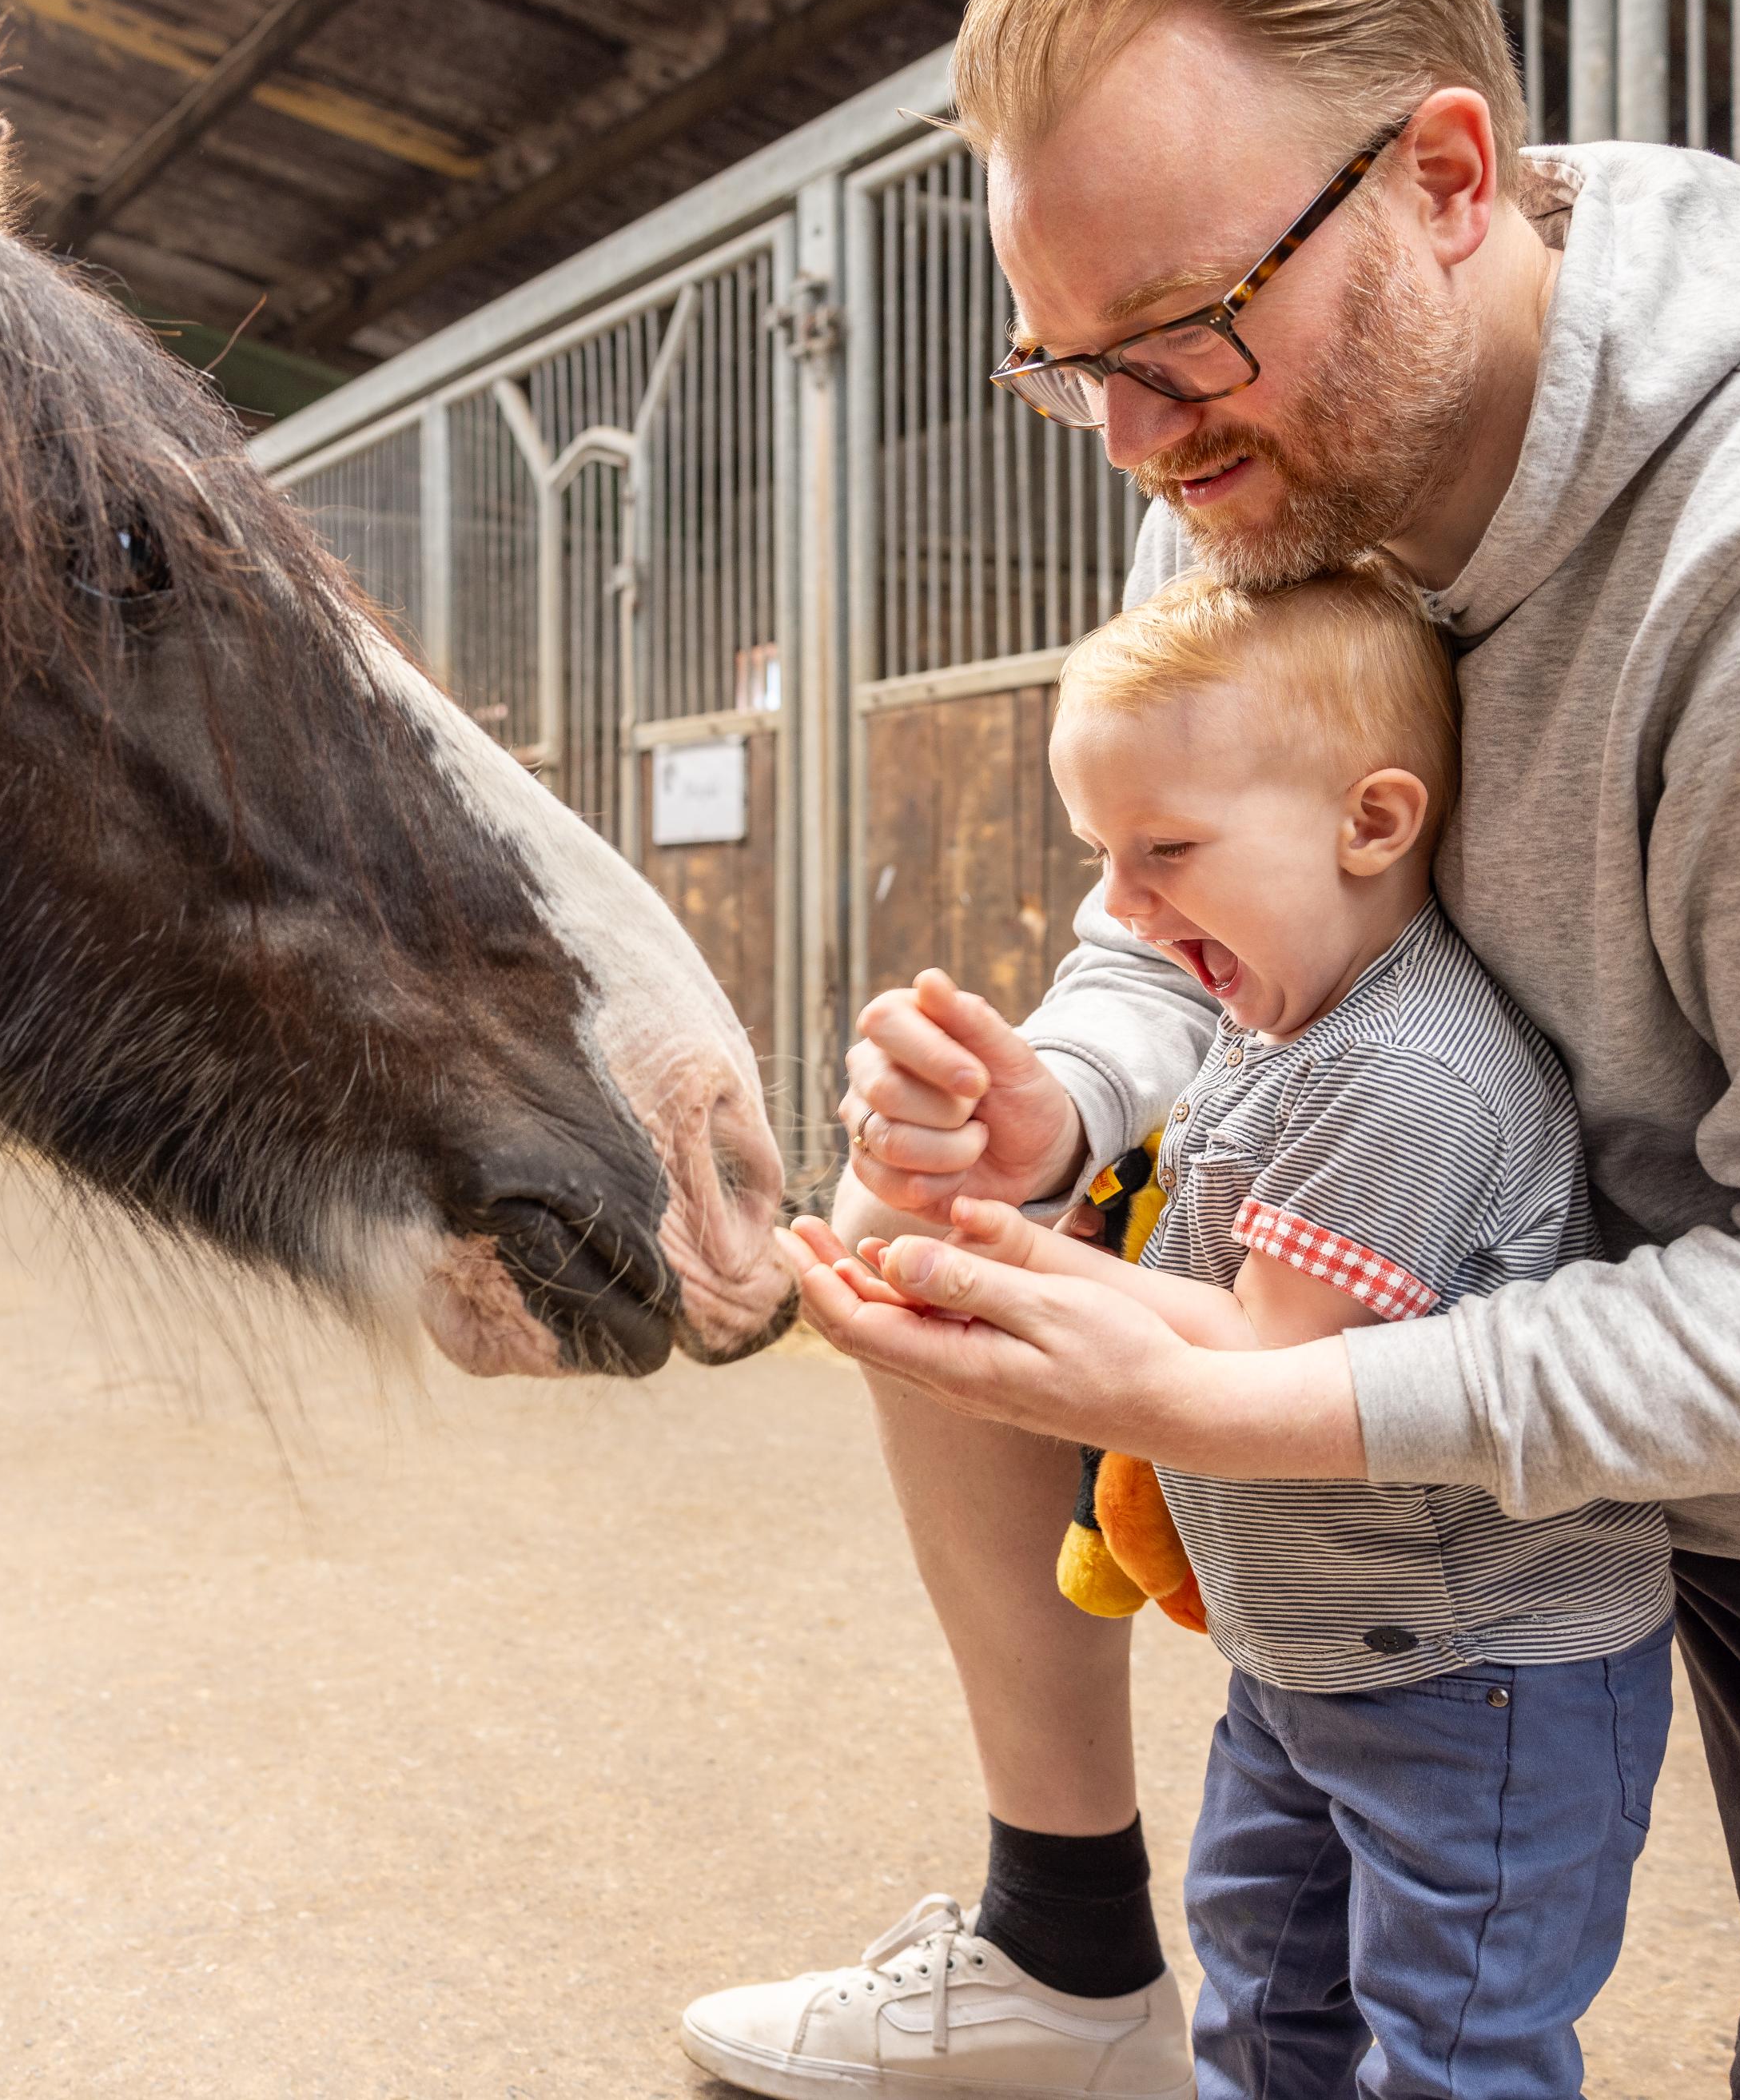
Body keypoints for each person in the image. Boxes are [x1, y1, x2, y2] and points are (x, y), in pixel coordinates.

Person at [680, 0, 1740, 2094]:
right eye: (1064, 362)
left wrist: (1261, 1403)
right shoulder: (1241, 461)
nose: (1126, 440)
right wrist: (1060, 1112)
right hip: (1452, 1296)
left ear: (1448, 178)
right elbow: (1142, 941)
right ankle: (1065, 1940)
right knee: (944, 1222)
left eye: (1175, 335)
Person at [698, 562, 1670, 2095]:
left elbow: (1264, 1360)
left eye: (1166, 851)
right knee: (1266, 1989)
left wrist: (998, 1273)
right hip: (1315, 1652)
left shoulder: (1404, 1075)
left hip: (1480, 1685)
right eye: (1101, 854)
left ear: (1373, 822)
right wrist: (998, 1236)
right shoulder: (1276, 1016)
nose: (1119, 908)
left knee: (1455, 2043)